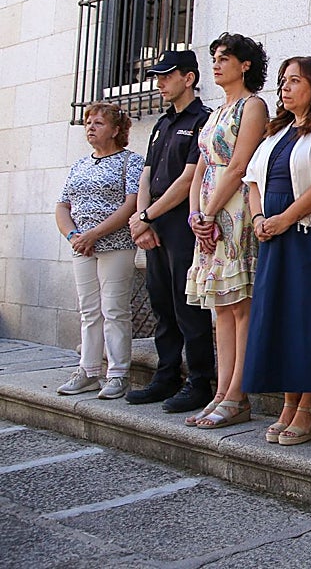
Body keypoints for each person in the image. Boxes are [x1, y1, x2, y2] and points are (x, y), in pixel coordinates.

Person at [243, 56, 311, 446]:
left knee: (307, 320)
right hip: (274, 237)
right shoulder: (277, 131)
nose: (285, 88)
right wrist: (259, 219)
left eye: (294, 81)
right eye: (282, 81)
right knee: (281, 318)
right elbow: (252, 179)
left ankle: (308, 407)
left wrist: (285, 218)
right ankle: (289, 402)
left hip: (306, 236)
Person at [184, 33, 269, 427]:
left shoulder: (253, 106)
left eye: (224, 58)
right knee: (219, 305)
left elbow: (238, 166)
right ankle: (221, 390)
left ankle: (238, 394)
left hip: (233, 208)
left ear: (245, 65)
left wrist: (211, 211)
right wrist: (195, 214)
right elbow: (201, 163)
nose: (216, 65)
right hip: (208, 210)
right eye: (214, 58)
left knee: (239, 304)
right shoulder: (216, 111)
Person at [125, 51, 217, 413]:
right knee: (161, 301)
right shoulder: (162, 123)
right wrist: (142, 220)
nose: (160, 82)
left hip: (181, 221)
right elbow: (148, 173)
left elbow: (189, 177)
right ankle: (166, 375)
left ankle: (199, 380)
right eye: (158, 76)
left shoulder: (201, 120)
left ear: (189, 78)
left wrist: (147, 215)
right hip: (154, 220)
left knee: (187, 304)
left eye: (167, 75)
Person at [54, 103, 143, 400]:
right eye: (88, 122)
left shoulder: (130, 161)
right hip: (82, 247)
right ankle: (89, 370)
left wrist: (94, 233)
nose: (91, 126)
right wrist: (73, 235)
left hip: (115, 245)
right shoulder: (79, 165)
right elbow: (62, 205)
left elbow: (131, 203)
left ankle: (118, 374)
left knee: (114, 309)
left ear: (117, 130)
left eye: (99, 123)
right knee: (88, 310)